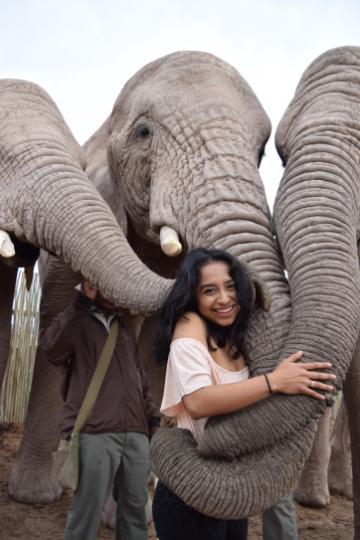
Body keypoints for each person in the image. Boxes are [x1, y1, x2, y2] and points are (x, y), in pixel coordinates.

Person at [151, 248, 336, 540]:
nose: (223, 299)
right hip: (188, 490)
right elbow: (199, 402)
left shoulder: (233, 339)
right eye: (209, 290)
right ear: (193, 296)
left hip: (230, 492)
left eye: (231, 286)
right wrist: (273, 382)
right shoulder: (189, 327)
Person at [39, 280, 159, 540]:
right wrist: (80, 303)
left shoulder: (124, 328)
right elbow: (51, 349)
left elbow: (140, 379)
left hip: (136, 434)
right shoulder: (78, 320)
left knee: (135, 511)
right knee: (87, 511)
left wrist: (152, 421)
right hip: (95, 433)